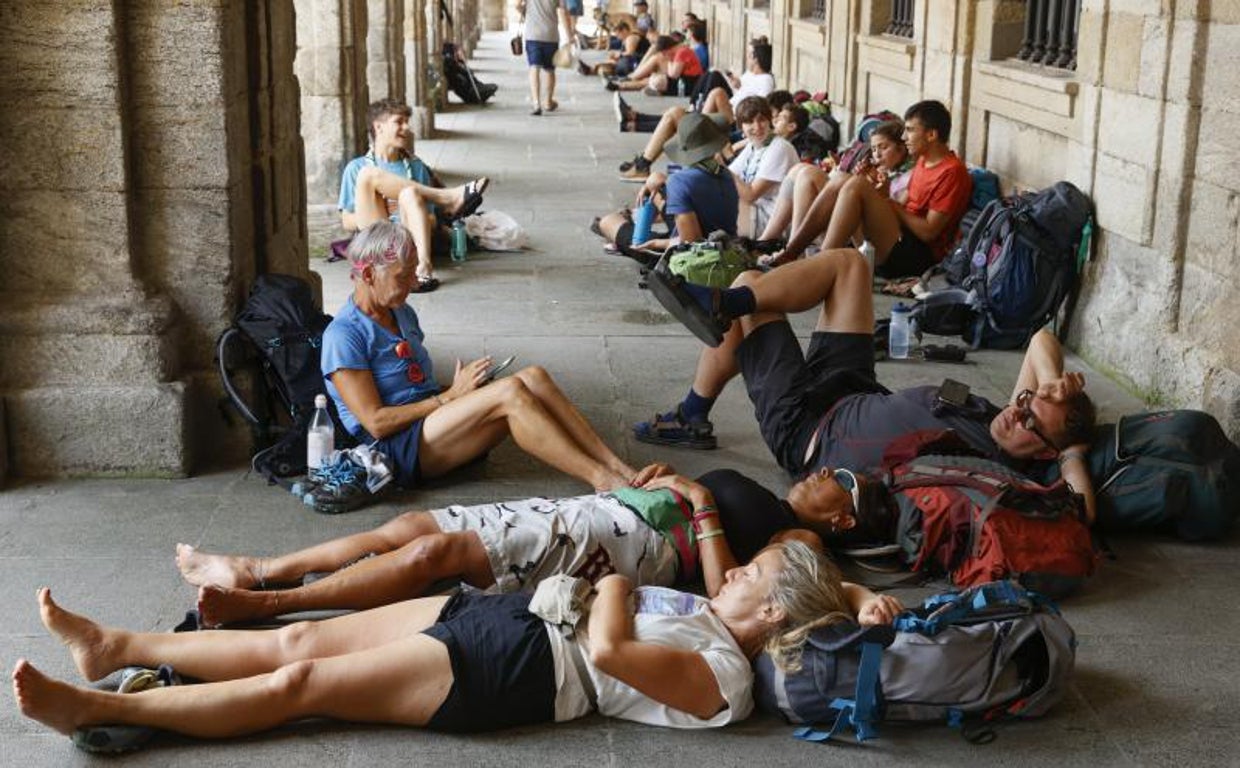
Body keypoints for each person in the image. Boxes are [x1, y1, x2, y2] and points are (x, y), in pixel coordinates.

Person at [14, 540, 903, 740]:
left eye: (754, 572)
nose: (736, 569)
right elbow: (821, 582)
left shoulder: (726, 678)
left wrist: (616, 586)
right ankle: (118, 644)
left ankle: (95, 709)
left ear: (778, 612)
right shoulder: (719, 613)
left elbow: (610, 653)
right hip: (505, 617)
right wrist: (863, 594)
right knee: (298, 644)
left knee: (303, 690)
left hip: (518, 669)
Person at [638, 248, 1100, 523]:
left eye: (1030, 419)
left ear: (1044, 452)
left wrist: (1073, 452)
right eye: (1025, 399)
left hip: (809, 432)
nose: (1017, 410)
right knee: (851, 265)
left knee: (750, 289)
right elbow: (1042, 339)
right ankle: (720, 311)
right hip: (852, 387)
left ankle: (693, 406)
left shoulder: (1002, 465)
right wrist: (1054, 385)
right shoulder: (1004, 416)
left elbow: (1083, 509)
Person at [174, 462, 876, 626]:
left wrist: (701, 508)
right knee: (415, 529)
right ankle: (262, 568)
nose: (825, 471)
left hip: (621, 546)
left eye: (842, 482)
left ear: (842, 521)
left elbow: (732, 591)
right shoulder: (774, 493)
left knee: (436, 559)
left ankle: (266, 606)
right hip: (602, 510)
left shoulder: (793, 536)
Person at [323, 221, 640, 495]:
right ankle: (602, 480)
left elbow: (415, 385)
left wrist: (466, 390)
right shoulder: (344, 335)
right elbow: (376, 424)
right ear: (366, 275)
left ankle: (618, 467)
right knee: (510, 393)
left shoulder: (401, 312)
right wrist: (450, 397)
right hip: (395, 449)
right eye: (403, 276)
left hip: (432, 424)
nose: (414, 283)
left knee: (534, 378)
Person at [771, 100, 971, 279]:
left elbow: (929, 232)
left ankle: (820, 267)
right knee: (843, 178)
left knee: (857, 185)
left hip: (917, 257)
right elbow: (905, 204)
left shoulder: (952, 171)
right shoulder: (924, 161)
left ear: (931, 135)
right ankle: (792, 252)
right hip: (897, 237)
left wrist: (887, 202)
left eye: (910, 130)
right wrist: (881, 193)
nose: (904, 136)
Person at [338, 99, 489, 292]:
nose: (407, 128)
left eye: (407, 122)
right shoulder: (356, 168)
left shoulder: (416, 166)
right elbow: (347, 221)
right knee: (368, 174)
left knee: (409, 193)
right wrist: (382, 207)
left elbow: (433, 220)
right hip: (377, 244)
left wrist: (406, 212)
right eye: (399, 122)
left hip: (407, 244)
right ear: (379, 127)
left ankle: (423, 268)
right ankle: (447, 197)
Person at [616, 37, 775, 182]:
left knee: (712, 94)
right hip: (731, 113)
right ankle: (644, 161)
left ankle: (645, 162)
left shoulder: (766, 80)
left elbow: (759, 109)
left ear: (756, 58)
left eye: (749, 55)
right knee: (679, 110)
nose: (747, 58)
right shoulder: (750, 75)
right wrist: (735, 84)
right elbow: (742, 92)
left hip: (738, 123)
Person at [758, 119, 913, 265]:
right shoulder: (875, 171)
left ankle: (803, 258)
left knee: (822, 176)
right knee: (806, 173)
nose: (877, 154)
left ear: (901, 149)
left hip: (880, 242)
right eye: (873, 149)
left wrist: (876, 190)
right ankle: (793, 250)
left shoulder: (906, 177)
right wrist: (861, 179)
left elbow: (895, 215)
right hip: (854, 230)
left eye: (884, 147)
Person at [593, 112, 738, 261]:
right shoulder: (726, 174)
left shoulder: (680, 181)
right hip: (726, 247)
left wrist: (656, 243)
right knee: (656, 180)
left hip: (693, 260)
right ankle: (632, 223)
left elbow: (690, 245)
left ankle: (626, 228)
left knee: (607, 222)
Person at [726, 96, 799, 237]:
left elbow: (750, 195)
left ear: (769, 120)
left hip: (773, 223)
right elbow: (729, 174)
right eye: (749, 122)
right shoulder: (753, 146)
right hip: (755, 212)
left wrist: (721, 166)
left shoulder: (780, 148)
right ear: (741, 126)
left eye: (761, 120)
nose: (757, 127)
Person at [518, 0, 568, 115]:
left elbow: (518, 5)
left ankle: (536, 103)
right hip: (551, 35)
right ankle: (548, 102)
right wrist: (569, 35)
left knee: (534, 67)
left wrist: (528, 14)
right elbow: (563, 11)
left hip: (533, 34)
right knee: (550, 70)